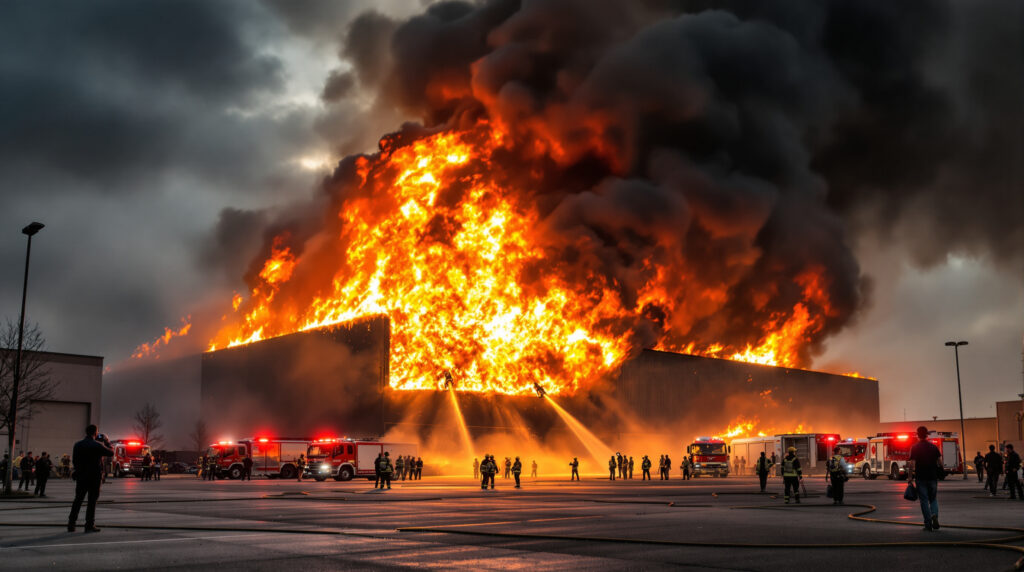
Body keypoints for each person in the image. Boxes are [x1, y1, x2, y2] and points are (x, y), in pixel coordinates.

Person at [68, 426, 114, 532]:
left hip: (81, 476)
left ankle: (71, 524)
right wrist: (107, 442)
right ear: (96, 433)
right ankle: (89, 524)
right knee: (92, 501)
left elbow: (75, 461)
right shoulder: (97, 445)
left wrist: (79, 470)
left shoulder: (78, 445)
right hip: (94, 477)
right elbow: (111, 453)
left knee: (78, 500)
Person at [908, 425, 942, 531]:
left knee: (924, 501)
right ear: (927, 435)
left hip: (921, 477)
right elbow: (939, 463)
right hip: (932, 477)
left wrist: (910, 478)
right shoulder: (933, 447)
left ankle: (928, 524)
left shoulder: (915, 447)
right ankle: (934, 515)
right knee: (933, 499)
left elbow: (912, 464)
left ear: (918, 435)